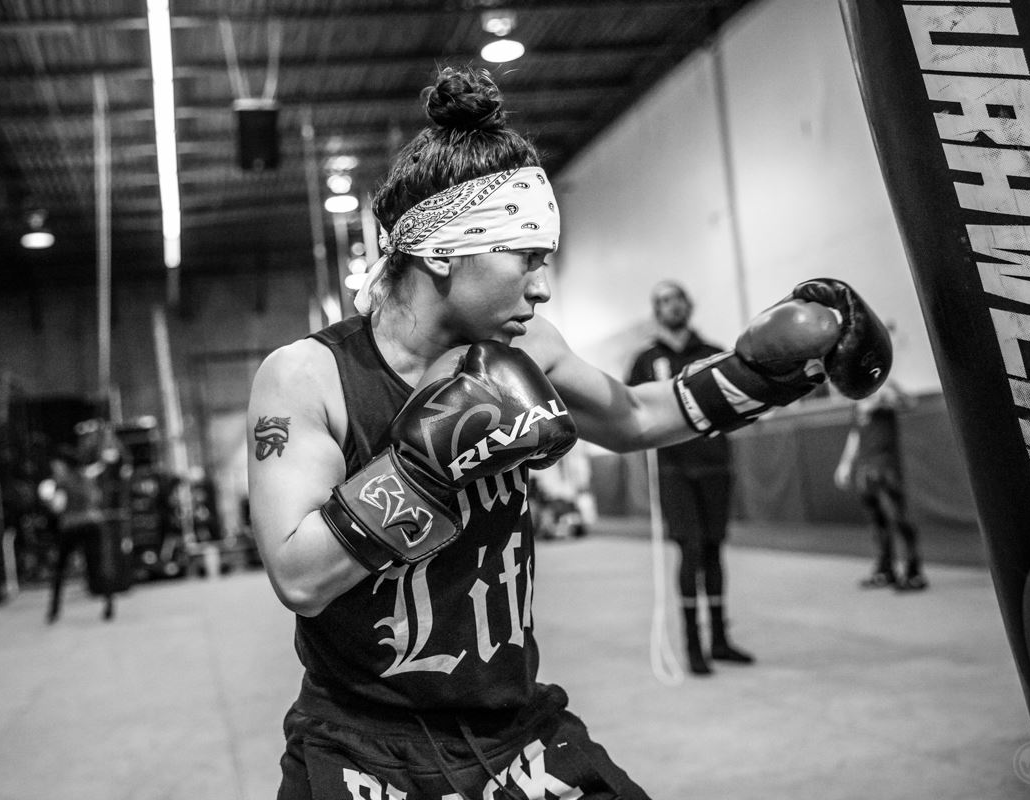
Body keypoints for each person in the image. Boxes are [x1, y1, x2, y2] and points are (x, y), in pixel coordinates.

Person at [246, 65, 891, 800]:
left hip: (514, 732)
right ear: (440, 251)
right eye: (526, 258)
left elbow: (635, 416)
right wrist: (424, 465)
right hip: (361, 746)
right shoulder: (305, 376)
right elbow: (298, 576)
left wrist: (761, 375)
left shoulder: (532, 348)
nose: (542, 286)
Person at [626, 281, 752, 676]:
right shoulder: (645, 360)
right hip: (673, 470)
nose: (671, 306)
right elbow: (630, 409)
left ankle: (719, 639)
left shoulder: (715, 354)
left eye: (676, 299)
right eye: (662, 300)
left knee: (714, 549)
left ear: (687, 305)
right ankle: (693, 646)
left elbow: (738, 401)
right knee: (691, 550)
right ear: (656, 310)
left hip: (715, 463)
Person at [834, 380, 927, 590]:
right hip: (865, 470)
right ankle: (886, 570)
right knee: (877, 522)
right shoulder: (857, 400)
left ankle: (914, 572)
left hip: (886, 467)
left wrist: (888, 394)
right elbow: (855, 434)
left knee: (899, 517)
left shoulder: (884, 393)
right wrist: (845, 464)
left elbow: (909, 404)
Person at [38, 441, 116, 623]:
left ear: (63, 464)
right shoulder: (86, 478)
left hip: (72, 526)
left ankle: (54, 610)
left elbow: (57, 507)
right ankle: (109, 603)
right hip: (92, 523)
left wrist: (49, 501)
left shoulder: (62, 483)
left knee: (60, 569)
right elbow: (97, 498)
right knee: (97, 565)